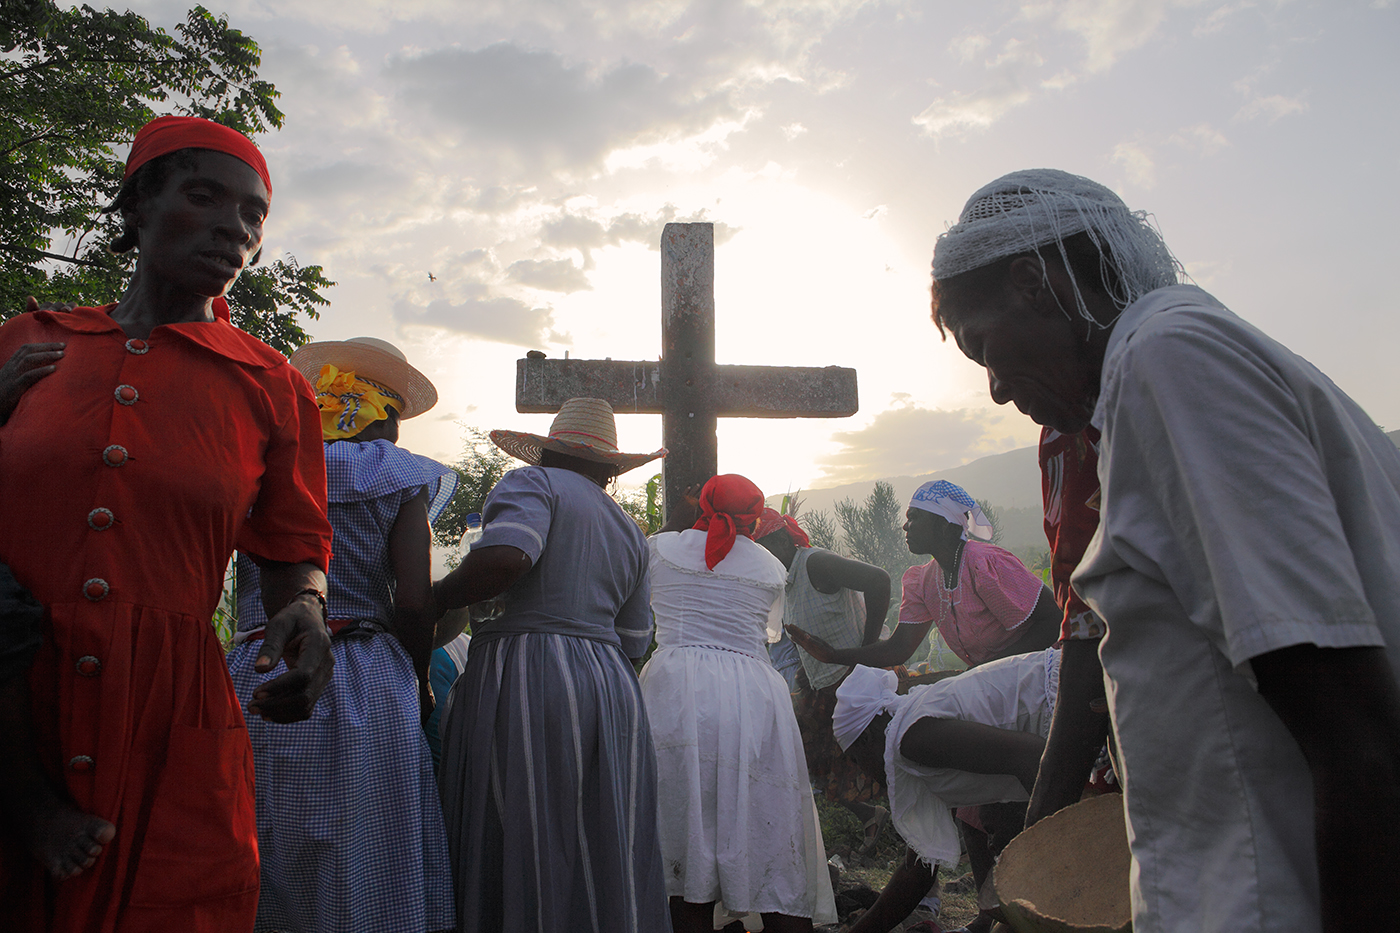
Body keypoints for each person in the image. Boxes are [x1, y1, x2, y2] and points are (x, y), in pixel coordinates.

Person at [928, 168, 1400, 932]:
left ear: (1035, 283)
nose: (994, 389)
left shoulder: (1168, 362)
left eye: (984, 346)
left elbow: (1359, 744)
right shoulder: (1178, 366)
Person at [0, 115, 335, 932]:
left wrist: (307, 609)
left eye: (254, 214)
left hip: (167, 713)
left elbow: (294, 546)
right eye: (204, 195)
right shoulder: (29, 345)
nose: (235, 226)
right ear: (140, 205)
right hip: (13, 692)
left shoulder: (270, 384)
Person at [226, 336, 456, 933]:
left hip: (259, 664)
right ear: (381, 416)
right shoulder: (399, 478)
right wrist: (421, 680)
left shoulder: (262, 468)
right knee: (366, 843)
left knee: (259, 835)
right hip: (368, 675)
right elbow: (413, 602)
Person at [432, 397, 671, 933]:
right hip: (609, 685)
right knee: (596, 828)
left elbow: (507, 558)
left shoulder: (531, 486)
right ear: (611, 469)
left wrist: (439, 596)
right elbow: (635, 640)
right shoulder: (630, 530)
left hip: (526, 671)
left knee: (522, 819)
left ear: (544, 453)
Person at [641, 476, 837, 933]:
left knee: (681, 823)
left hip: (676, 691)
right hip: (753, 694)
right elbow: (767, 631)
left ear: (701, 504)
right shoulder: (770, 566)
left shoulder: (657, 549)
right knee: (766, 820)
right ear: (755, 515)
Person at [833, 658, 1061, 933]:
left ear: (868, 737)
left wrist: (1040, 857)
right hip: (1059, 737)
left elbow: (1035, 760)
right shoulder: (911, 740)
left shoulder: (913, 739)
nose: (863, 773)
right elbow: (917, 871)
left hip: (1066, 704)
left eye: (857, 760)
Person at [786, 480, 1058, 671]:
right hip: (995, 681)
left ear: (944, 526)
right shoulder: (925, 581)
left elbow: (1053, 622)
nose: (906, 526)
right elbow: (899, 648)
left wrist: (988, 671)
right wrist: (833, 656)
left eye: (914, 517)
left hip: (1037, 671)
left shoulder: (984, 565)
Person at [753, 507, 893, 847]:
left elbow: (879, 581)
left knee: (886, 767)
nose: (763, 555)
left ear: (784, 539)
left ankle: (920, 837)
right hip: (823, 686)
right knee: (803, 757)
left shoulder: (816, 564)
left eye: (766, 545)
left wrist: (869, 648)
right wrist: (807, 670)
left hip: (857, 684)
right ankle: (873, 816)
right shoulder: (785, 579)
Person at [1024, 425, 1115, 827]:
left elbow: (1082, 619)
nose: (997, 391)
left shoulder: (1086, 423)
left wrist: (1040, 827)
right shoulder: (1059, 426)